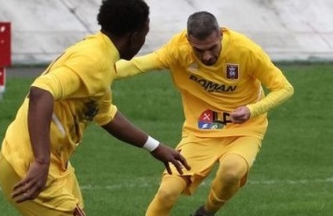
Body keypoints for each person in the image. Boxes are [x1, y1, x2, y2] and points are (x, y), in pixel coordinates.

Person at [0, 0, 190, 216]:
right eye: (145, 34)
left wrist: (155, 147)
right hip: (29, 166)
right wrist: (40, 161)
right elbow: (41, 92)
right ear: (134, 36)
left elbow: (106, 115)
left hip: (56, 166)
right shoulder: (93, 61)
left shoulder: (99, 54)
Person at [115, 11, 294, 216]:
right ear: (189, 40)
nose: (207, 56)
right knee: (167, 192)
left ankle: (206, 212)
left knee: (232, 170)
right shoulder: (178, 49)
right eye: (199, 50)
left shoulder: (245, 50)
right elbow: (137, 65)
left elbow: (285, 88)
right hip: (202, 128)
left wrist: (252, 109)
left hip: (245, 129)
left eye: (212, 48)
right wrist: (95, 69)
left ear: (220, 35)